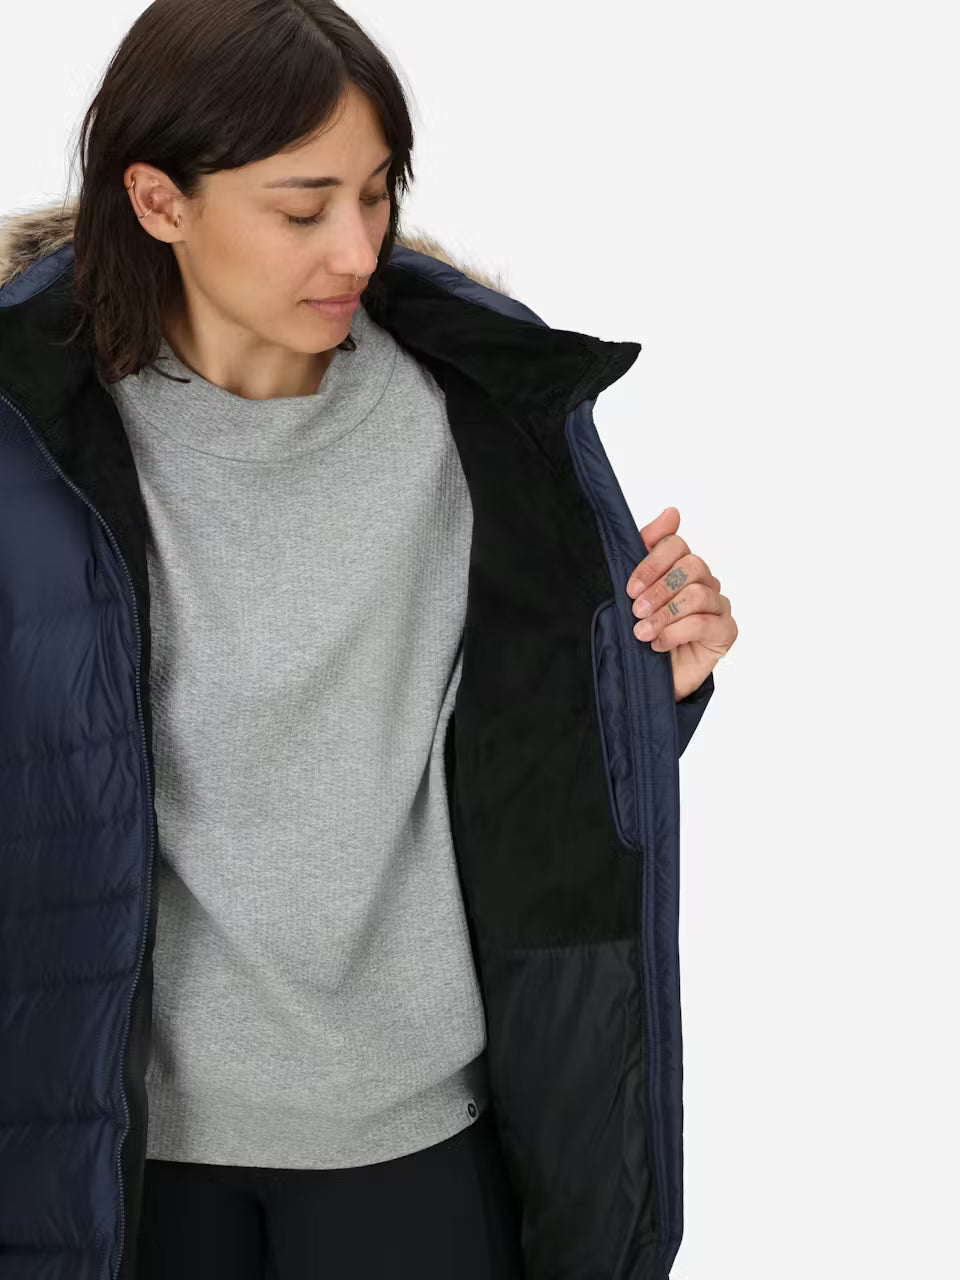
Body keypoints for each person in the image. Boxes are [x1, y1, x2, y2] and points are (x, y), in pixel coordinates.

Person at [0, 2, 715, 1277]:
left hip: (418, 1139)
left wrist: (653, 680)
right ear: (159, 202)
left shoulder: (477, 414)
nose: (356, 248)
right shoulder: (28, 439)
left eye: (377, 194)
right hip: (120, 1155)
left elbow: (522, 752)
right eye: (303, 207)